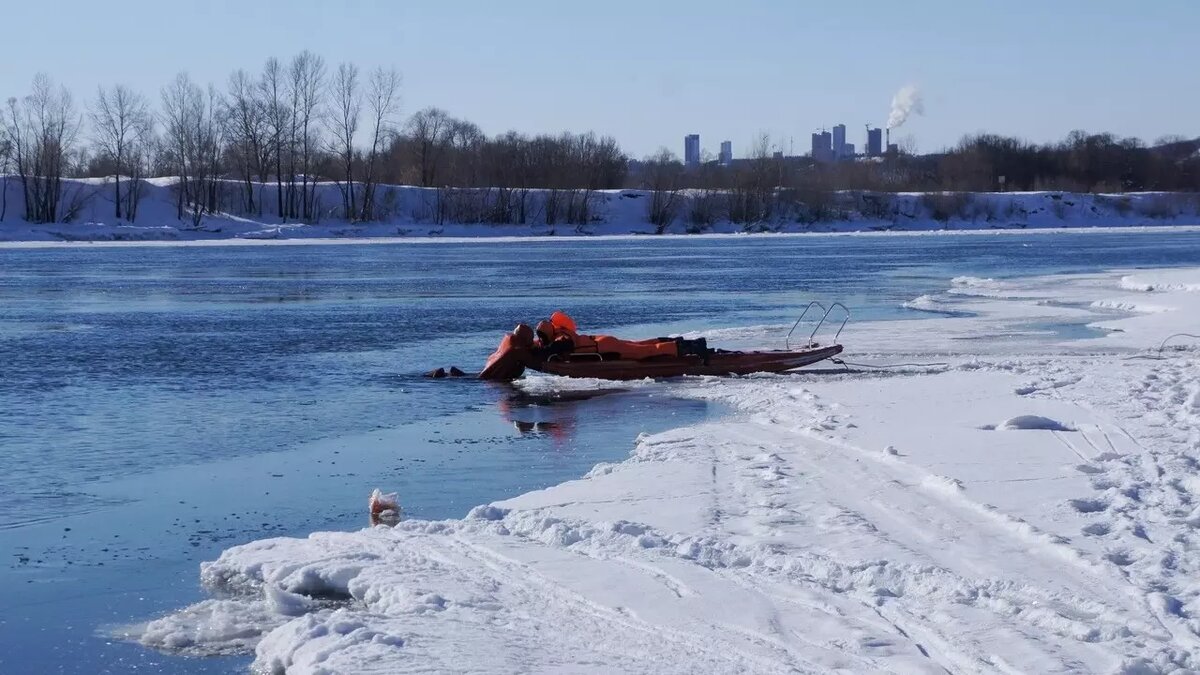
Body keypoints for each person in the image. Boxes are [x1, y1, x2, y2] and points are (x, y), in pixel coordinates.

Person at [533, 311, 709, 361]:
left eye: (541, 336)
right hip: (603, 341)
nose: (540, 339)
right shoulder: (561, 331)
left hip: (604, 347)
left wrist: (541, 354)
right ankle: (677, 342)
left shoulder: (561, 337)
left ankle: (690, 347)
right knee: (639, 344)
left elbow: (561, 346)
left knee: (644, 352)